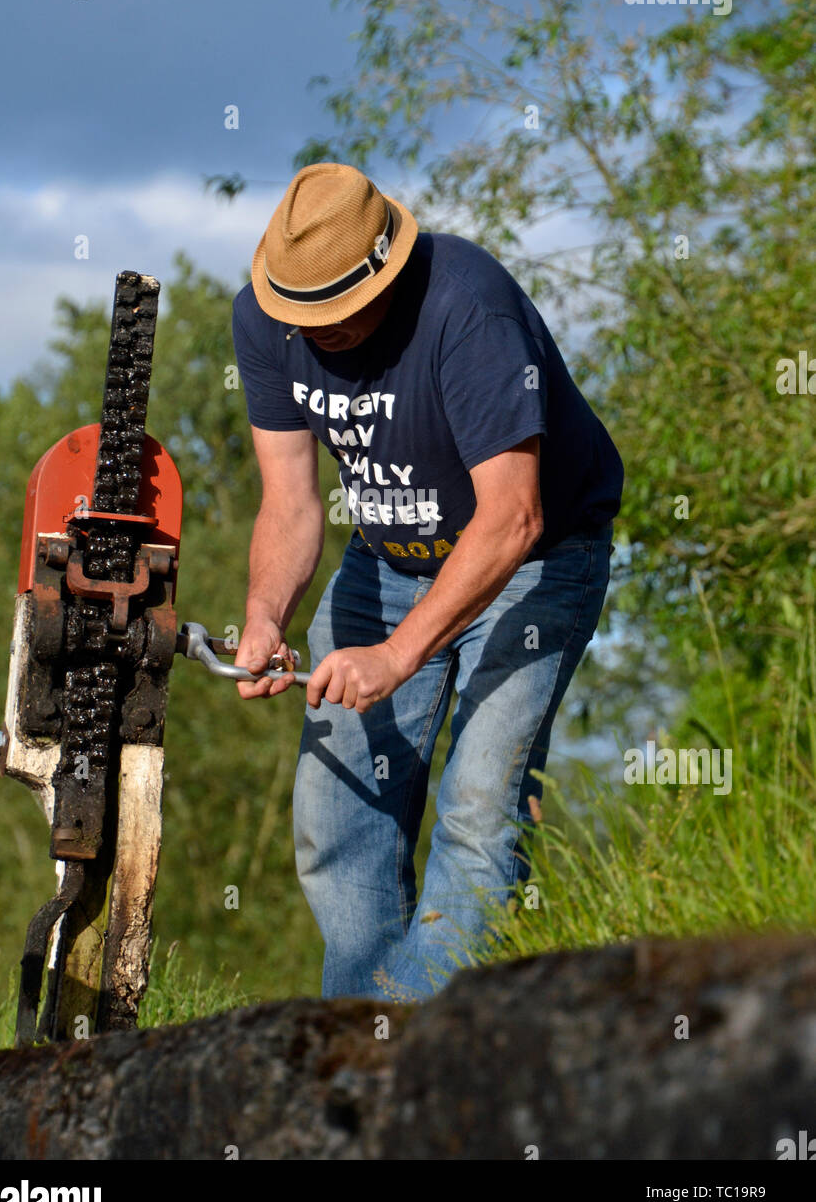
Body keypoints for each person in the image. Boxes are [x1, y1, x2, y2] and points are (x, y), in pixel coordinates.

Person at [231, 161, 623, 1001]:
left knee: (481, 811)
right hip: (385, 556)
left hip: (533, 560)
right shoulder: (266, 320)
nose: (316, 330)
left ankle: (418, 1051)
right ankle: (357, 1041)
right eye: (301, 315)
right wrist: (264, 617)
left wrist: (398, 655)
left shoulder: (467, 310)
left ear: (388, 270)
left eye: (334, 314)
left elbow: (512, 518)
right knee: (339, 822)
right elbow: (292, 504)